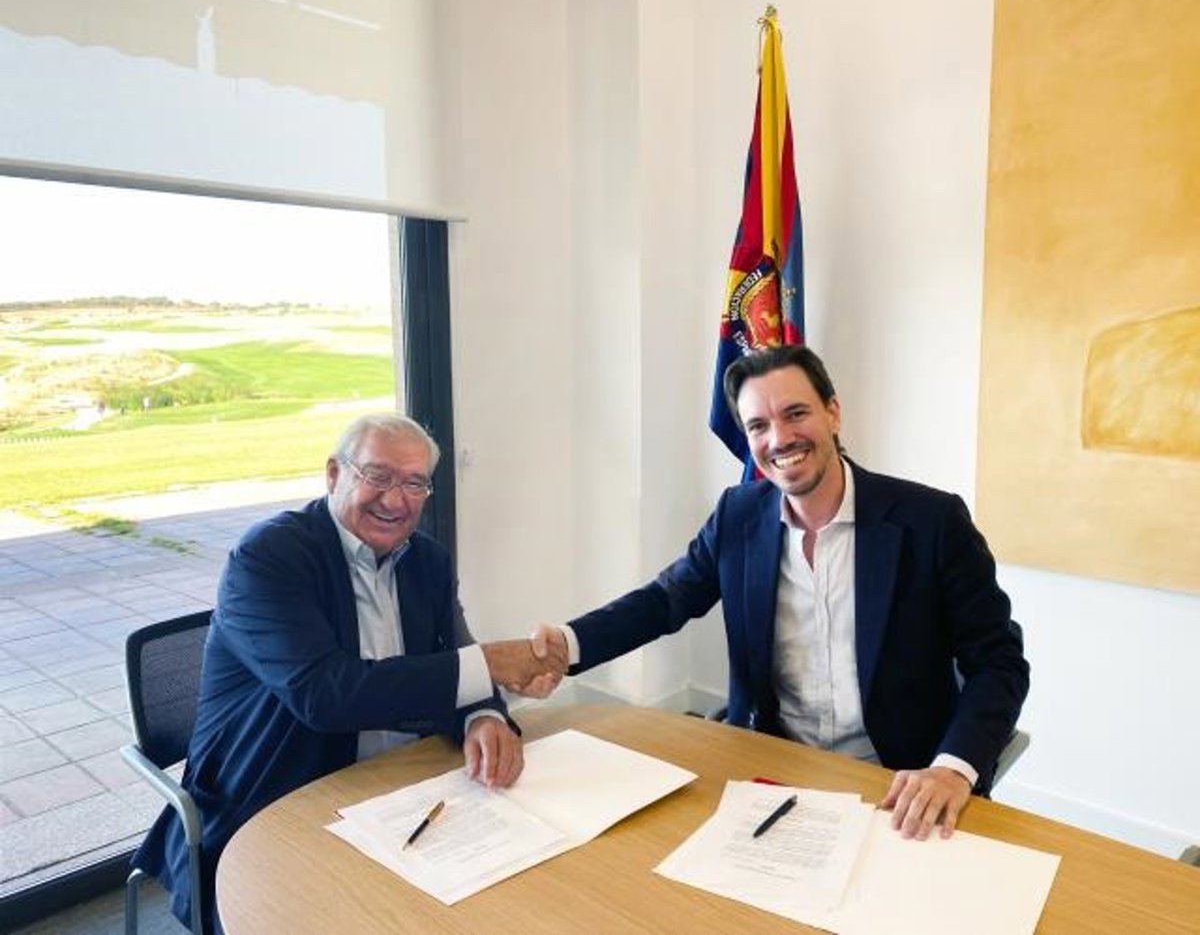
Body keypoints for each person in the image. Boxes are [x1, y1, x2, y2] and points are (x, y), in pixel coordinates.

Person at [529, 346, 1029, 842]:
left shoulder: (931, 522)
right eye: (758, 426)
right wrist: (566, 645)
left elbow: (998, 660)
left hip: (897, 783)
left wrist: (952, 768)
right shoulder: (737, 515)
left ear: (833, 413)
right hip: (774, 770)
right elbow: (665, 600)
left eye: (795, 414)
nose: (779, 438)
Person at [132, 413, 563, 934]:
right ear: (334, 474)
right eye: (377, 475)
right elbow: (325, 696)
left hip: (401, 790)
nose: (395, 499)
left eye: (415, 483)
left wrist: (484, 716)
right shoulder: (270, 556)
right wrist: (491, 665)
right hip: (278, 800)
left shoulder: (427, 560)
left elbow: (457, 654)